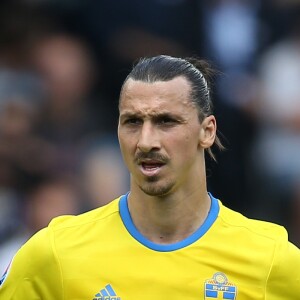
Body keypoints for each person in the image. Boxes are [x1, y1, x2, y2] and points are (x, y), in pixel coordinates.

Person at [0, 55, 299, 299]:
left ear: (207, 131)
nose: (145, 141)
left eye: (165, 121)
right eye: (132, 121)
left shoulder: (270, 259)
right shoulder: (55, 253)